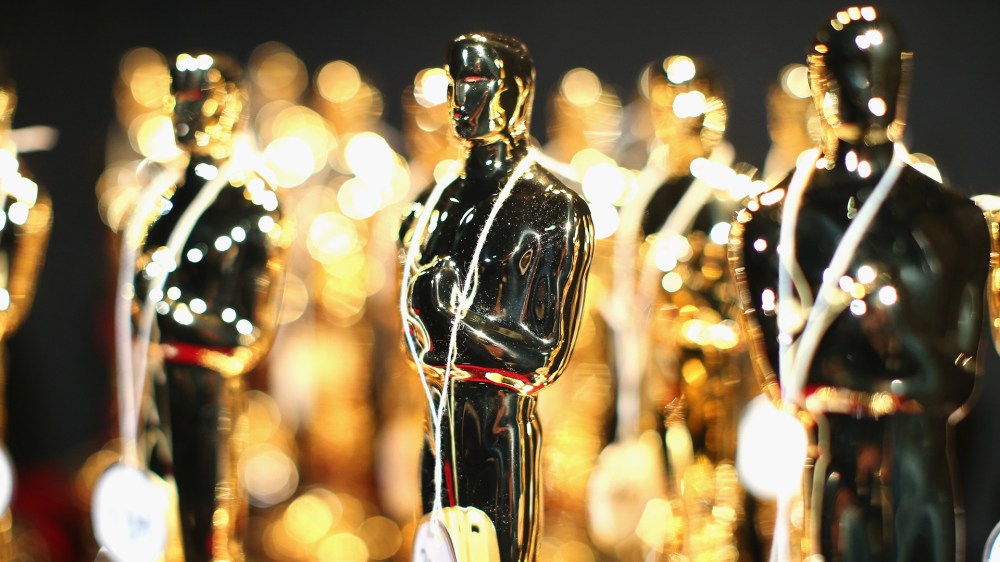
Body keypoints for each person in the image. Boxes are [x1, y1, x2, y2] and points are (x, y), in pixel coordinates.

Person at [730, 8, 988, 561]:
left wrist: (887, 332)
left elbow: (959, 381)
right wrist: (882, 345)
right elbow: (786, 377)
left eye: (880, 69)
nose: (864, 86)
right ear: (818, 82)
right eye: (846, 70)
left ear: (902, 78)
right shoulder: (774, 220)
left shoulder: (955, 220)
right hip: (839, 473)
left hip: (923, 480)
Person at [400, 33, 594, 562]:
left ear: (519, 91)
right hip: (436, 426)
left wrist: (448, 322)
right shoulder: (431, 205)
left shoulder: (553, 207)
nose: (462, 100)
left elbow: (541, 357)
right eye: (454, 83)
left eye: (478, 81)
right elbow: (412, 335)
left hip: (498, 432)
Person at [129, 52, 286, 562]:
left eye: (199, 97)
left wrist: (166, 304)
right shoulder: (162, 199)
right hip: (157, 380)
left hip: (211, 388)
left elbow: (246, 333)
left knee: (208, 521)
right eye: (178, 97)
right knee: (157, 514)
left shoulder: (253, 203)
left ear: (232, 105)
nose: (185, 111)